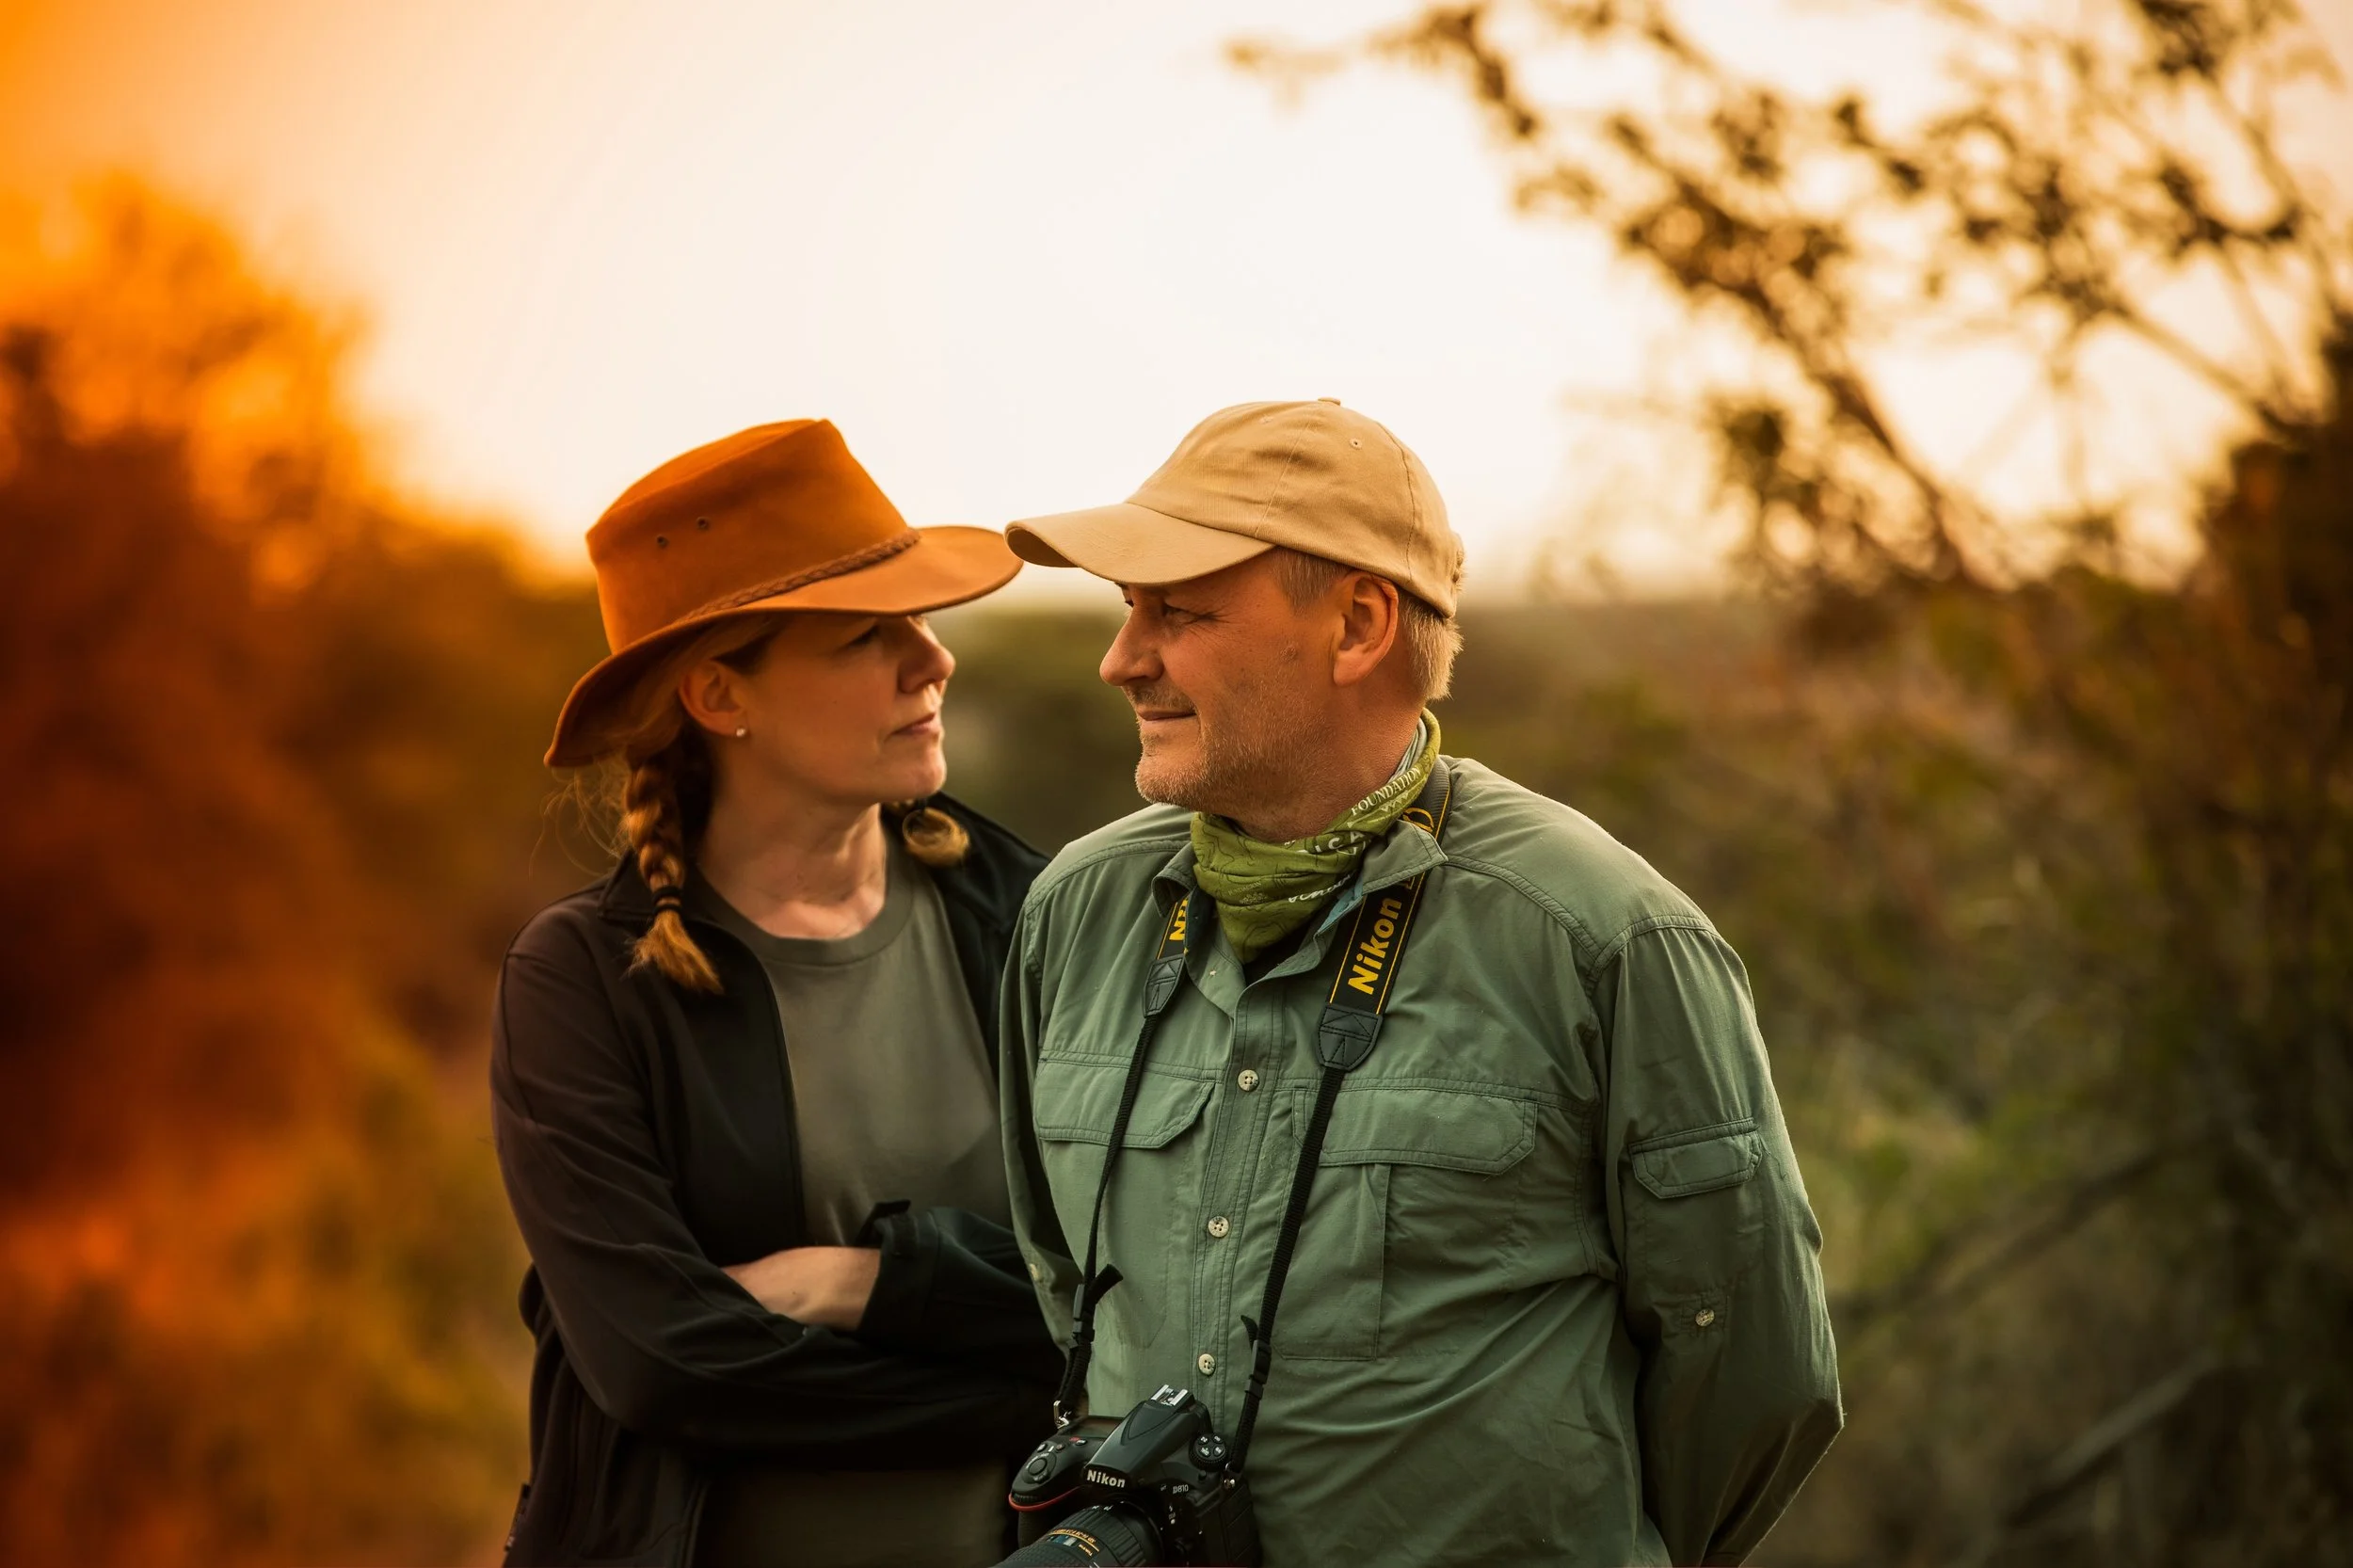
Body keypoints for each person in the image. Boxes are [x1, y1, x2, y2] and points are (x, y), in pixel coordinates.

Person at [995, 399, 1843, 1566]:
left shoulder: (1604, 936)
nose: (1120, 658)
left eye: (1178, 613)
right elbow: (1064, 1280)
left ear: (1357, 626)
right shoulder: (1075, 915)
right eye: (1125, 610)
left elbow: (1752, 1371)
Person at [491, 419, 1061, 1568]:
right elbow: (665, 1366)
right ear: (716, 693)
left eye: (922, 622)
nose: (932, 660)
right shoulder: (582, 983)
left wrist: (862, 1285)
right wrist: (1047, 1406)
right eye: (866, 636)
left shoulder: (1033, 916)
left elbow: (1140, 1286)